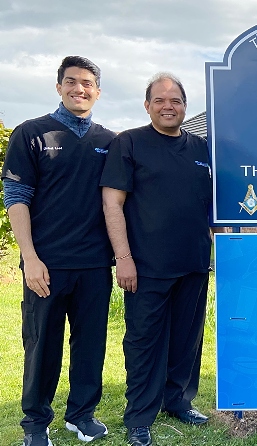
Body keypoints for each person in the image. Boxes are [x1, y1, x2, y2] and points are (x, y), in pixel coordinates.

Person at [2, 56, 114, 446]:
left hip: (96, 265)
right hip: (45, 265)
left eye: (87, 83)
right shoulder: (32, 133)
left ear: (98, 92)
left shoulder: (108, 141)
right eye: (71, 82)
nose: (78, 89)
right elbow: (15, 196)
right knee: (41, 345)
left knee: (90, 346)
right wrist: (30, 258)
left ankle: (81, 415)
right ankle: (35, 424)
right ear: (59, 87)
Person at [100, 73, 212, 446]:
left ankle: (178, 401)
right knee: (144, 341)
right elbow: (112, 203)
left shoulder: (201, 148)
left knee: (186, 339)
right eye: (160, 100)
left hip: (194, 262)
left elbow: (214, 205)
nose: (169, 106)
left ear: (185, 107)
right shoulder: (129, 143)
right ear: (147, 105)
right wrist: (124, 258)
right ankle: (139, 417)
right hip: (146, 266)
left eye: (176, 100)